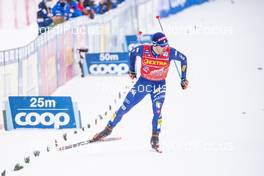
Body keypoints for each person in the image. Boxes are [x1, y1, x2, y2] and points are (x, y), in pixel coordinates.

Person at [92, 32, 189, 150]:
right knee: (124, 107)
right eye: (161, 47)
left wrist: (183, 78)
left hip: (159, 85)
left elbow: (183, 59)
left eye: (165, 46)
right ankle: (107, 129)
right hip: (143, 83)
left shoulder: (170, 52)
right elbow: (133, 53)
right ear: (154, 45)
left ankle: (155, 136)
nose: (164, 49)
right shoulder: (144, 50)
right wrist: (132, 70)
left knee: (157, 110)